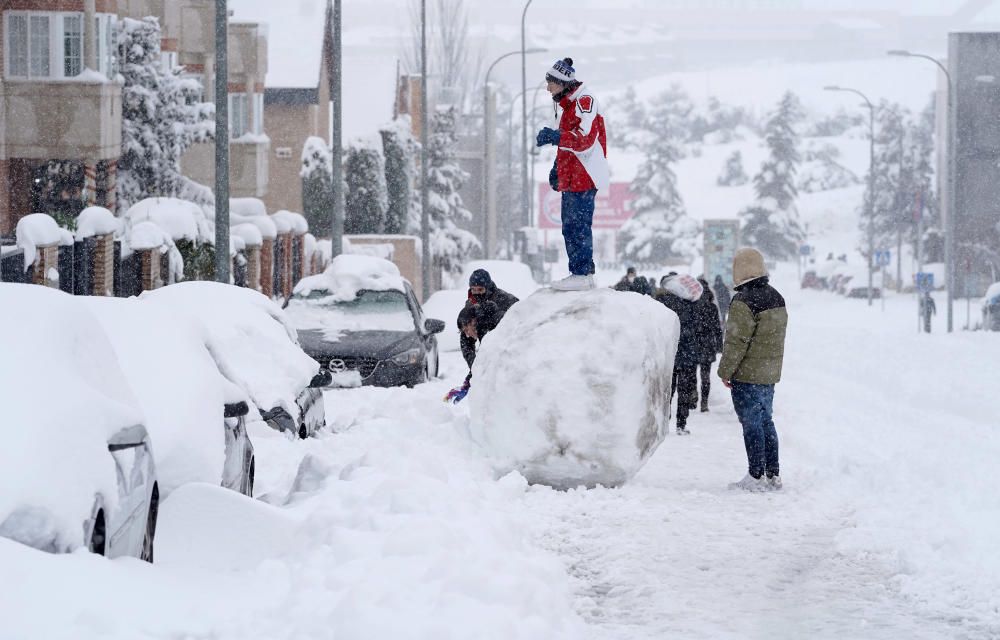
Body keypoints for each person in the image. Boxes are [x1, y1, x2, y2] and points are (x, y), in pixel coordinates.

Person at [536, 57, 609, 291]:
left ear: (563, 82)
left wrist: (556, 137)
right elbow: (568, 146)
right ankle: (581, 271)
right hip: (573, 177)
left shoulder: (584, 101)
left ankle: (581, 273)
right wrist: (557, 168)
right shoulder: (568, 105)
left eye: (551, 83)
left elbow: (585, 140)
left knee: (577, 225)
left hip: (584, 176)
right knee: (570, 225)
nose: (548, 88)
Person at [718, 248, 788, 491]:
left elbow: (736, 341)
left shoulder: (743, 301)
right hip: (769, 373)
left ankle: (755, 474)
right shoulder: (777, 297)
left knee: (752, 423)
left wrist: (725, 371)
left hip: (747, 375)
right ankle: (773, 474)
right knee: (766, 421)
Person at [445, 270, 519, 403]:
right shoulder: (472, 304)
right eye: (473, 289)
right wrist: (475, 369)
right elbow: (466, 338)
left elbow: (516, 325)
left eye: (480, 289)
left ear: (488, 287)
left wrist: (472, 378)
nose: (477, 293)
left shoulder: (505, 301)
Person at [655, 274, 703, 435]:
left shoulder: (661, 303)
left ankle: (664, 421)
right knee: (684, 391)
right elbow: (697, 328)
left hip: (670, 355)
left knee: (668, 390)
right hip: (687, 355)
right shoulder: (691, 304)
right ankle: (681, 424)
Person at [694, 277, 724, 412]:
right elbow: (718, 328)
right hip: (708, 344)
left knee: (691, 373)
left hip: (693, 343)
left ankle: (693, 396)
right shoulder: (712, 307)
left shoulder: (692, 305)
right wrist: (719, 345)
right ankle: (704, 402)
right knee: (705, 375)